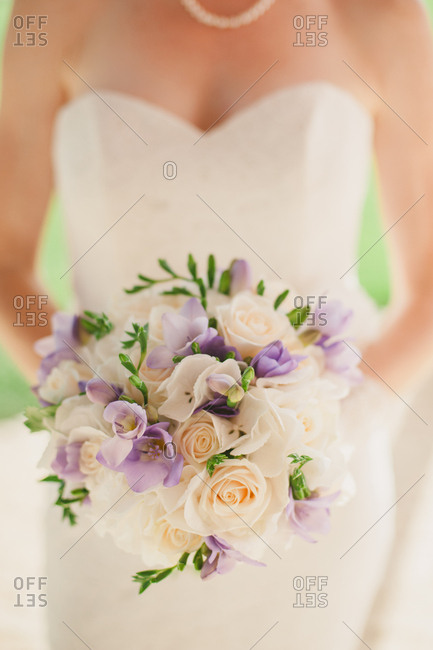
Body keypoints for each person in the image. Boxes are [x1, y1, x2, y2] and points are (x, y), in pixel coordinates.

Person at [1, 1, 433, 648]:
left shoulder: (375, 15)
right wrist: (86, 414)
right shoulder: (53, 14)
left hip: (311, 490)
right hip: (116, 477)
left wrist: (317, 436)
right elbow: (6, 252)